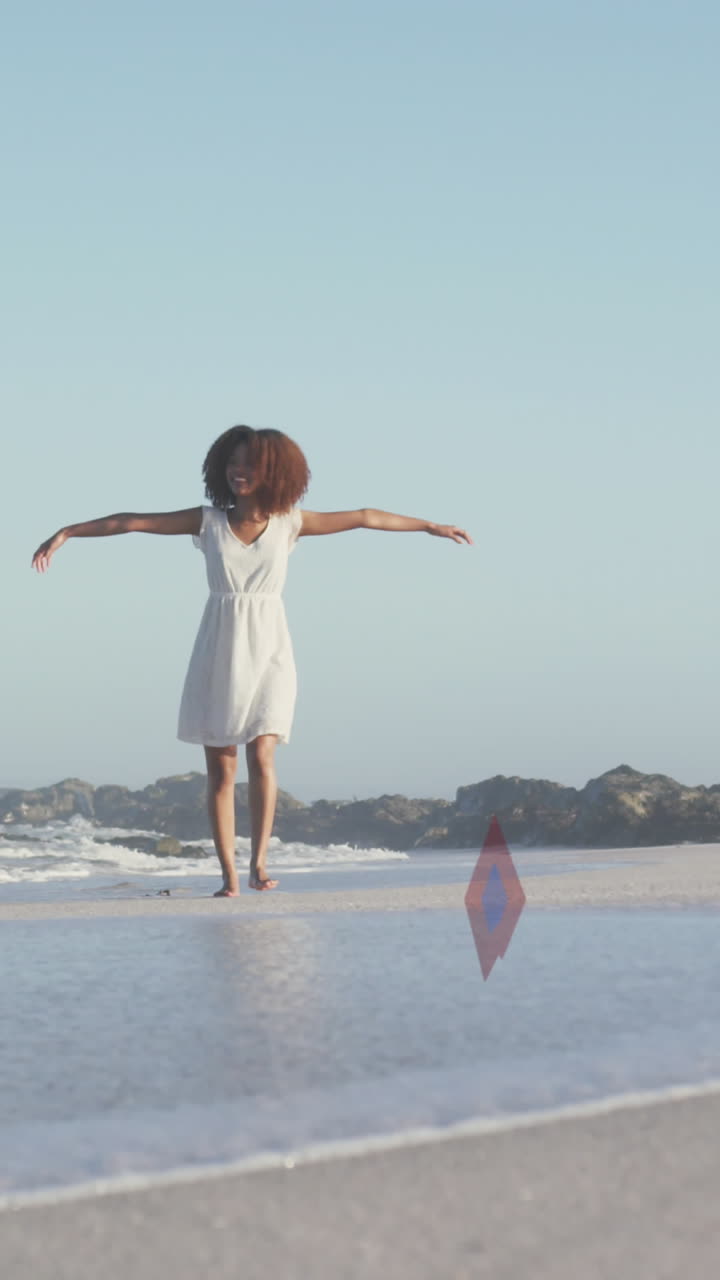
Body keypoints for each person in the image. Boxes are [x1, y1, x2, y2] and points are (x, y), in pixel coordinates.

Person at [31, 424, 473, 897]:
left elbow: (366, 516)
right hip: (219, 648)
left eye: (249, 465)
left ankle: (259, 864)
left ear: (274, 472)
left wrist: (430, 526)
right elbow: (133, 521)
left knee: (263, 753)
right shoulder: (207, 521)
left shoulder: (290, 523)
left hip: (270, 648)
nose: (238, 472)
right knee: (222, 769)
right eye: (232, 463)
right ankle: (228, 875)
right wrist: (67, 532)